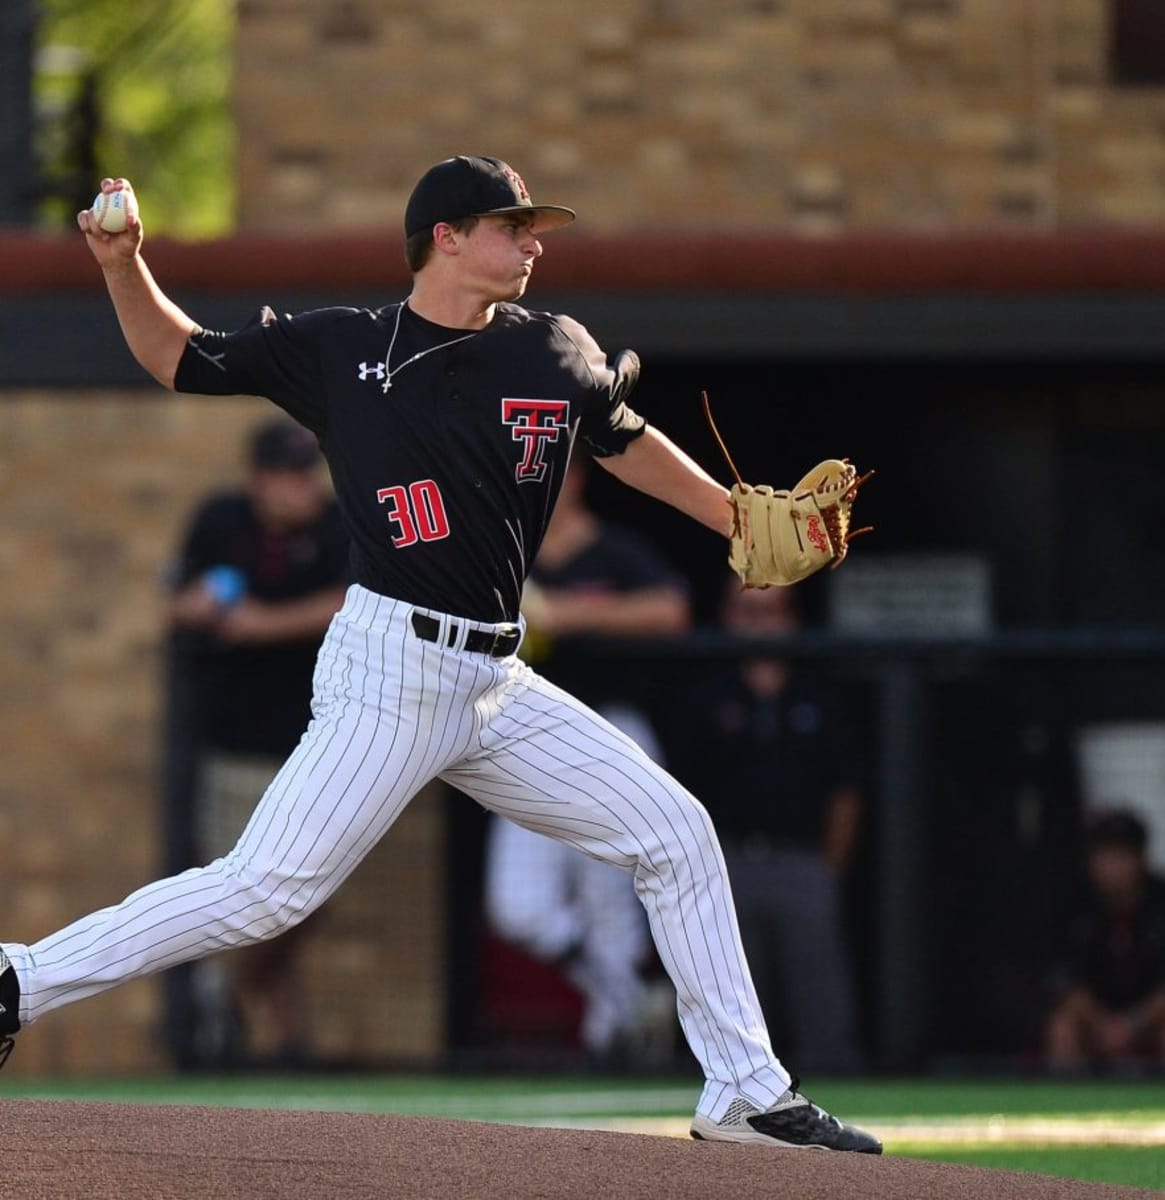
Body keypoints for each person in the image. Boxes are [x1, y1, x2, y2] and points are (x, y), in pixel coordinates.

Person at [0, 158, 880, 1153]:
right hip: (392, 668)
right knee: (266, 890)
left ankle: (746, 1094)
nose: (535, 243)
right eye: (512, 227)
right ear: (446, 238)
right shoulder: (344, 348)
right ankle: (15, 981)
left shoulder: (554, 347)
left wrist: (730, 515)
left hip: (497, 681)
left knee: (674, 832)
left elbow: (621, 437)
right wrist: (123, 265)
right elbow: (179, 357)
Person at [484, 459, 689, 1063]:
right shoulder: (506, 549)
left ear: (575, 480)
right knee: (516, 904)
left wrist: (569, 614)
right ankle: (625, 993)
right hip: (519, 731)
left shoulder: (614, 551)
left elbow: (671, 611)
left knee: (610, 897)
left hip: (611, 726)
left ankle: (616, 1045)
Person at [168, 416, 349, 1066]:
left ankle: (242, 996)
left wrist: (262, 624)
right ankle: (257, 1034)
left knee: (306, 896)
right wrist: (205, 609)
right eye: (287, 476)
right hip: (233, 743)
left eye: (307, 474)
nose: (302, 488)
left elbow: (349, 600)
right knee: (236, 892)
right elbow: (175, 601)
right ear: (258, 480)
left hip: (315, 746)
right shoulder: (222, 519)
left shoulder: (335, 524)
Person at [672, 578, 866, 1073]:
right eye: (747, 612)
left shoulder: (819, 696)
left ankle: (833, 1098)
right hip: (728, 867)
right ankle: (738, 1096)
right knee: (733, 999)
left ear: (791, 619)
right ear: (727, 618)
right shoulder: (703, 697)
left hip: (803, 864)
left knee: (819, 998)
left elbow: (845, 793)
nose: (760, 624)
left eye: (771, 612)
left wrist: (828, 868)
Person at [1044, 809, 1165, 1074]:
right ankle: (1067, 1110)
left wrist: (1132, 1025)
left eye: (1122, 856)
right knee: (1062, 1027)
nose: (1113, 867)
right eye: (1105, 856)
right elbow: (1065, 982)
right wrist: (1103, 1025)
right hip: (1093, 1018)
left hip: (1151, 1018)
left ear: (1141, 859)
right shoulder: (1070, 901)